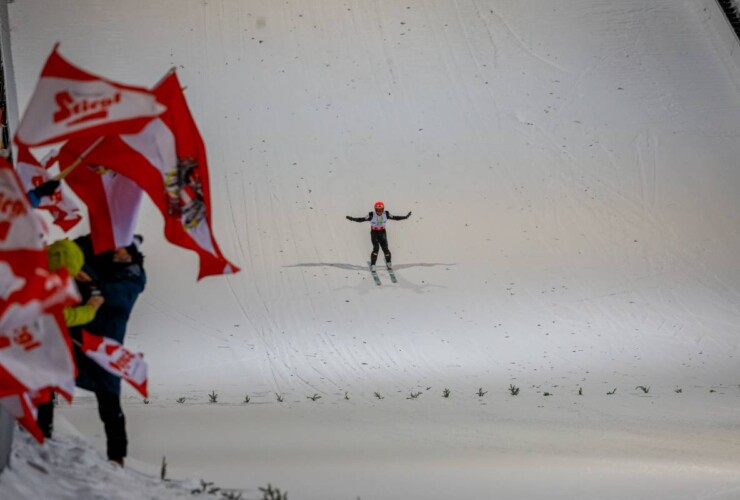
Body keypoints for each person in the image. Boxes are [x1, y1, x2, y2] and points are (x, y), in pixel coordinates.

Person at [69, 234, 146, 467]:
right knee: (48, 377)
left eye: (122, 248)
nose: (117, 251)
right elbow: (74, 251)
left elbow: (118, 295)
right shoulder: (100, 260)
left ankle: (117, 456)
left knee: (110, 401)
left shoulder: (134, 274)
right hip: (76, 333)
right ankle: (42, 432)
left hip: (105, 343)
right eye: (114, 246)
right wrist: (99, 233)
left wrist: (92, 284)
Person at [36, 238, 105, 439]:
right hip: (37, 350)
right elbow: (63, 316)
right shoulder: (51, 287)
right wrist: (91, 309)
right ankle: (41, 432)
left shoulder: (31, 268)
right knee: (43, 391)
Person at [346, 201, 412, 270]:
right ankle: (373, 264)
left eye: (381, 210)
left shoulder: (386, 214)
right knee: (376, 248)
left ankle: (389, 262)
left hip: (382, 232)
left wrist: (405, 217)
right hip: (374, 233)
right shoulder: (371, 215)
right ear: (375, 209)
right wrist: (352, 219)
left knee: (385, 248)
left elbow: (395, 218)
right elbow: (361, 219)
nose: (379, 212)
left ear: (383, 209)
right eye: (378, 210)